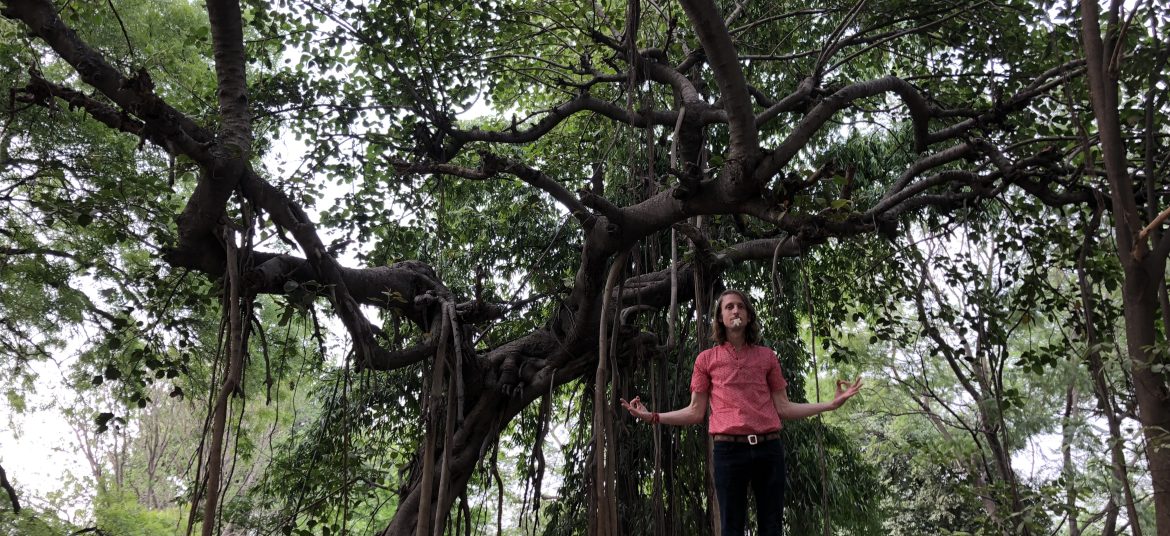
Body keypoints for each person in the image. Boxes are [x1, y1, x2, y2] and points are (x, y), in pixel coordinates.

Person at [621, 289, 862, 536]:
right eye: (729, 307)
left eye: (740, 306)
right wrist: (653, 417)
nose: (735, 310)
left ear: (748, 316)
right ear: (720, 318)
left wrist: (830, 405)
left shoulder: (767, 357)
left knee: (772, 527)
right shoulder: (706, 360)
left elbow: (784, 407)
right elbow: (695, 411)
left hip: (769, 449)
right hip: (728, 450)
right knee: (731, 528)